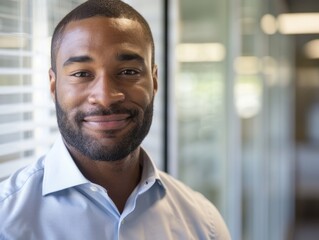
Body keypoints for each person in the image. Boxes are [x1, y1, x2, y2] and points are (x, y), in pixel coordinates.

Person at [0, 0, 231, 239]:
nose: (106, 97)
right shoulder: (5, 221)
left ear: (154, 81)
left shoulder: (204, 225)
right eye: (81, 74)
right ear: (53, 84)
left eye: (128, 72)